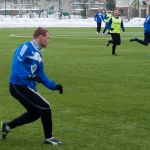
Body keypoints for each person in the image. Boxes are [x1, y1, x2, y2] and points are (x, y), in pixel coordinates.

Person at [1, 27, 64, 145]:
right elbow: (17, 63)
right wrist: (29, 76)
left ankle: (8, 126)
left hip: (27, 87)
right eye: (47, 37)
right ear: (40, 37)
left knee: (35, 113)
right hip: (18, 85)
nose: (48, 40)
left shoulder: (39, 56)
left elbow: (42, 77)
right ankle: (49, 138)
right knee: (45, 107)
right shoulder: (25, 47)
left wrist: (55, 86)